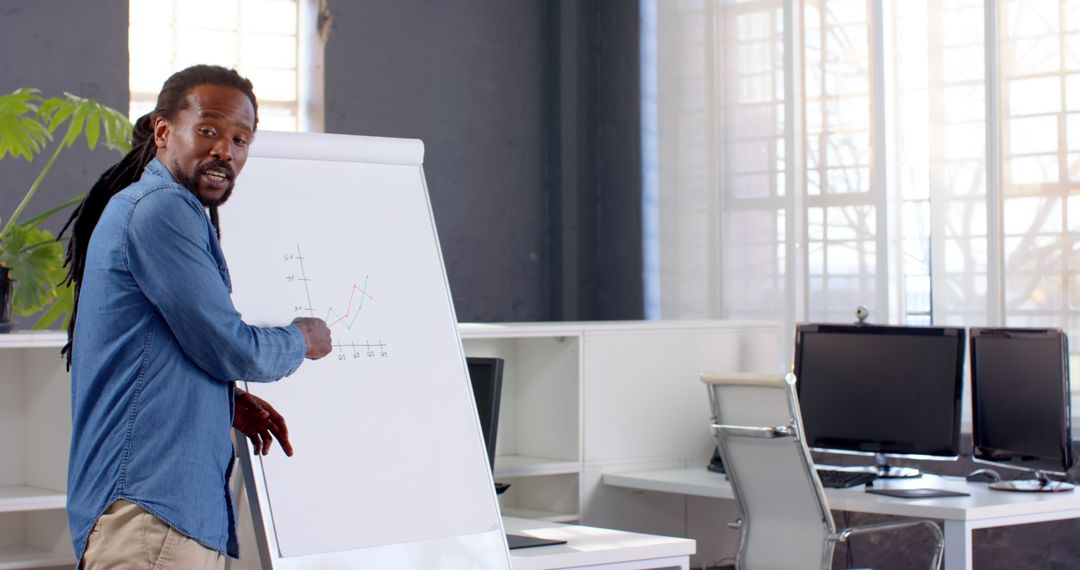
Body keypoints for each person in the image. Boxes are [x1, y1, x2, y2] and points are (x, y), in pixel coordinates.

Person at [59, 64, 332, 569]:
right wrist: (302, 339)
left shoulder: (152, 206)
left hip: (153, 519)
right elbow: (230, 347)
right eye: (208, 130)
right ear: (164, 131)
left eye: (240, 139)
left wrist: (220, 404)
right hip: (153, 522)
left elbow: (155, 350)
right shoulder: (162, 208)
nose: (225, 150)